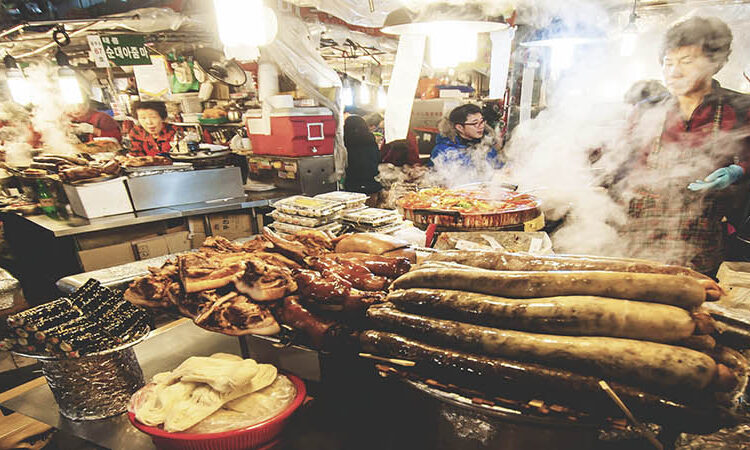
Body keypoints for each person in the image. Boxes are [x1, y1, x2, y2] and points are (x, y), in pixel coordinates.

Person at [616, 16, 750, 276]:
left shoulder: (740, 109)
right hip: (638, 236)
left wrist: (738, 171)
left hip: (704, 236)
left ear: (715, 63)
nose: (673, 72)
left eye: (686, 62)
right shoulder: (646, 110)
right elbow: (621, 163)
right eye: (668, 62)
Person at [429, 103, 502, 169]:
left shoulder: (485, 145)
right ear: (459, 127)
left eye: (482, 121)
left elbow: (498, 166)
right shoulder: (444, 151)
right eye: (475, 123)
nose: (481, 126)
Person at [343, 115, 382, 194]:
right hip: (372, 182)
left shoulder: (347, 141)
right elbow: (378, 158)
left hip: (352, 183)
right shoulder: (370, 139)